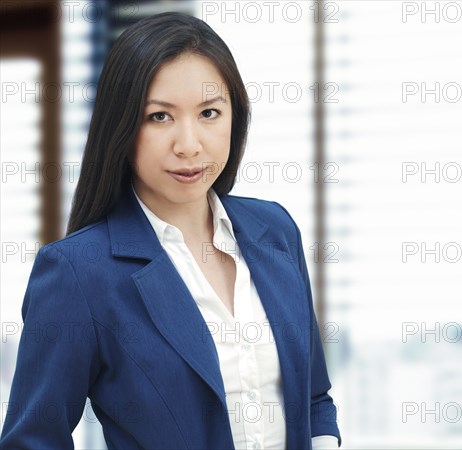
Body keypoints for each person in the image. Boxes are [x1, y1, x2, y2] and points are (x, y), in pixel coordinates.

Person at [0, 12, 341, 450]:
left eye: (209, 113)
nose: (189, 144)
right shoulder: (77, 272)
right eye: (160, 117)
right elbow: (33, 439)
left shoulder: (274, 230)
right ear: (122, 127)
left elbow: (313, 397)